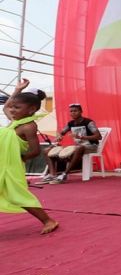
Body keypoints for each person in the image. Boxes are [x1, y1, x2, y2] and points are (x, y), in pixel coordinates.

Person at [1, 79, 58, 234]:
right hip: (3, 164)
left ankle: (48, 220)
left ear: (31, 110)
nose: (12, 110)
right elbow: (6, 106)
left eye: (17, 107)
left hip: (11, 167)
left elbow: (35, 150)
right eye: (12, 107)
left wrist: (20, 158)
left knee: (17, 195)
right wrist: (17, 90)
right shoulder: (15, 121)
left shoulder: (28, 126)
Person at [40, 103, 102, 184]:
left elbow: (98, 136)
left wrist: (81, 137)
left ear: (81, 112)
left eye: (75, 111)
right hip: (78, 147)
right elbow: (61, 133)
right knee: (47, 150)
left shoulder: (88, 122)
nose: (73, 113)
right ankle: (52, 174)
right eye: (71, 111)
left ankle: (65, 174)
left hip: (91, 146)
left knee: (79, 148)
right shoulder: (71, 123)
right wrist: (59, 136)